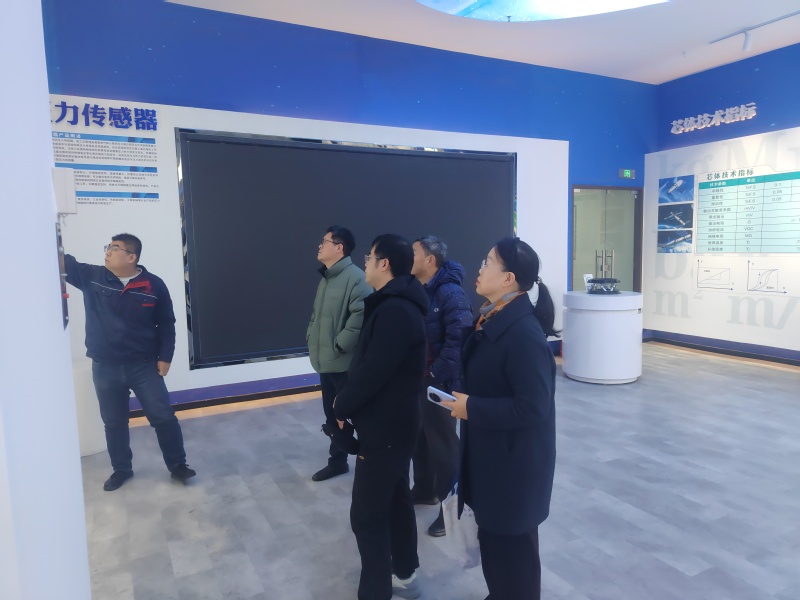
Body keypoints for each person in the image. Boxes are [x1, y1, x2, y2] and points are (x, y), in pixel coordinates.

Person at [442, 237, 558, 600]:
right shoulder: (491, 318)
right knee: (495, 549)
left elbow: (533, 406)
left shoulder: (523, 335)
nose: (479, 268)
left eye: (488, 262)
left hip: (514, 469)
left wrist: (471, 408)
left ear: (508, 279)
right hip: (494, 460)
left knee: (514, 560)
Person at [334, 234, 428, 600]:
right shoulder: (394, 305)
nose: (366, 262)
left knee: (367, 516)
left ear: (384, 263)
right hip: (394, 425)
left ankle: (375, 591)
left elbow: (374, 372)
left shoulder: (395, 311)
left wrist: (342, 406)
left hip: (387, 430)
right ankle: (404, 574)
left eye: (370, 257)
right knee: (395, 499)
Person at [64, 234, 196, 491]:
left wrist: (165, 357)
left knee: (163, 417)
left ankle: (178, 466)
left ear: (131, 257)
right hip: (105, 366)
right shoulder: (93, 276)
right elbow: (63, 262)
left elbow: (166, 323)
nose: (107, 252)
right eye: (108, 247)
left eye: (114, 248)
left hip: (143, 365)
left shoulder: (153, 285)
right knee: (114, 422)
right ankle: (121, 469)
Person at [409, 235, 473, 537]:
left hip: (441, 383)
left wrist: (434, 373)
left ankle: (452, 509)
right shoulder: (420, 290)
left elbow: (459, 341)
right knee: (420, 439)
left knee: (444, 446)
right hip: (422, 380)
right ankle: (425, 490)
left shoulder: (450, 292)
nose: (409, 258)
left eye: (414, 253)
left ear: (430, 260)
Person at [307, 226, 372, 482]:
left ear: (339, 247)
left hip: (345, 363)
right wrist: (311, 336)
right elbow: (316, 315)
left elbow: (360, 316)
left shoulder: (356, 277)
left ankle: (368, 462)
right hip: (326, 361)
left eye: (324, 241)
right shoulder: (327, 278)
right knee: (332, 415)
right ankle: (338, 462)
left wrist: (339, 345)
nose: (320, 245)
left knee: (355, 415)